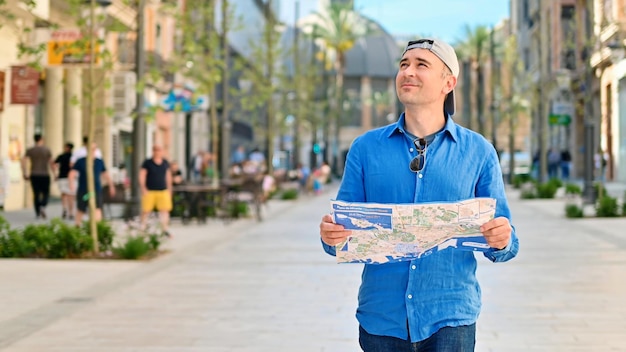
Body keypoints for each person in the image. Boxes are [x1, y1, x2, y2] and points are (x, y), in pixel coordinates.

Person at [318, 38, 519, 351]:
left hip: (450, 319)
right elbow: (341, 238)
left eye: (421, 65)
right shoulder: (364, 149)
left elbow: (506, 245)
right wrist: (332, 236)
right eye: (403, 65)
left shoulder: (479, 152)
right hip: (381, 319)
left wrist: (501, 238)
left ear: (448, 82)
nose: (407, 72)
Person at [68, 142, 115, 226]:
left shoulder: (99, 161)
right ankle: (77, 227)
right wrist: (71, 184)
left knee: (97, 209)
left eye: (94, 149)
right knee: (81, 209)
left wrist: (111, 185)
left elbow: (105, 174)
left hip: (96, 190)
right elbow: (72, 173)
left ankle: (98, 228)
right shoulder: (81, 161)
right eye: (91, 149)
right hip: (83, 190)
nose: (93, 151)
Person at [139, 145, 172, 237]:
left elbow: (168, 177)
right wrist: (143, 188)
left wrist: (169, 189)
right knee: (146, 210)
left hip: (163, 190)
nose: (157, 152)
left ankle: (165, 229)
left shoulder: (165, 163)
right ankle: (143, 228)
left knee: (165, 211)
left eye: (159, 150)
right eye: (156, 150)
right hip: (150, 190)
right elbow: (142, 175)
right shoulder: (147, 163)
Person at [21, 134, 54, 219]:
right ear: (41, 139)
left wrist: (25, 172)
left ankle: (37, 212)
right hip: (44, 174)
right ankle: (43, 205)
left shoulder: (31, 150)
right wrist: (55, 174)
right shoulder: (47, 150)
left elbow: (23, 161)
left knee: (36, 194)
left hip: (34, 174)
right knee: (45, 193)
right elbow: (51, 163)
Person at [54, 142, 75, 219]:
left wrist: (55, 174)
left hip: (63, 177)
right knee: (70, 196)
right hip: (71, 178)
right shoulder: (74, 156)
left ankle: (65, 209)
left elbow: (54, 164)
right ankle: (70, 212)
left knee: (64, 194)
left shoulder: (61, 156)